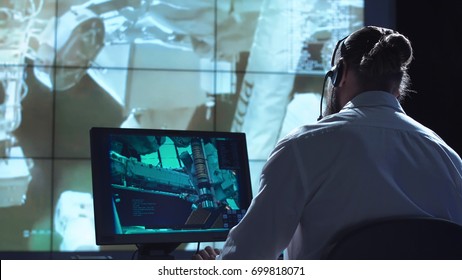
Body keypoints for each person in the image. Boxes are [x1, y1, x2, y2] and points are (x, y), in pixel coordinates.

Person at [193, 25, 462, 260]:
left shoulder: (303, 146)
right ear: (399, 86)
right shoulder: (448, 158)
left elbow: (247, 259)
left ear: (339, 74)